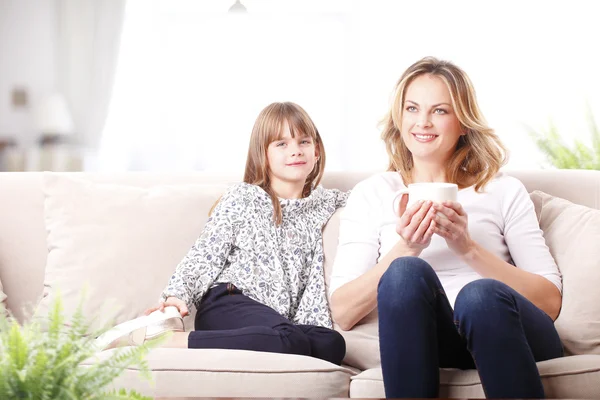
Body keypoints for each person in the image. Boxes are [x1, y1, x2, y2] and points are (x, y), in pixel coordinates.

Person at [328, 57, 563, 397]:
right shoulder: (373, 194)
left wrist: (468, 247)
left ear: (463, 123)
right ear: (400, 117)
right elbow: (344, 312)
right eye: (412, 108)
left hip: (507, 330)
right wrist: (406, 247)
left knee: (479, 295)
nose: (423, 122)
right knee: (405, 270)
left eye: (439, 110)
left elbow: (549, 303)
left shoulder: (501, 190)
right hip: (431, 341)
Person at [97, 102, 348, 366]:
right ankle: (161, 340)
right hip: (228, 302)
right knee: (288, 339)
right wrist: (175, 298)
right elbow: (206, 253)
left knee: (331, 343)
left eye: (304, 142)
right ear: (263, 154)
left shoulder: (326, 203)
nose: (295, 151)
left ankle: (265, 339)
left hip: (275, 320)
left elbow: (379, 197)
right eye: (282, 144)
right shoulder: (243, 197)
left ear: (316, 150)